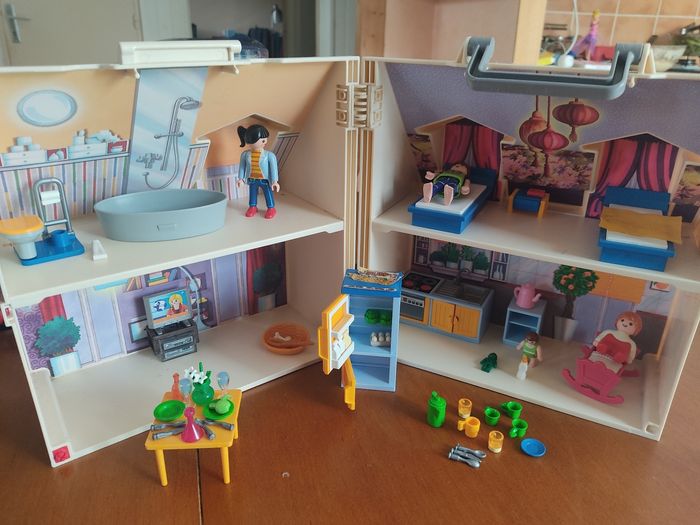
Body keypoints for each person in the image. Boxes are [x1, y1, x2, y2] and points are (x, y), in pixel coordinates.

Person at [237, 124, 280, 219]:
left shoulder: (269, 155)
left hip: (265, 180)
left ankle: (271, 208)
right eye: (262, 140)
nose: (265, 141)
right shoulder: (245, 155)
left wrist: (275, 181)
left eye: (265, 139)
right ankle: (252, 207)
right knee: (252, 193)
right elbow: (242, 167)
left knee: (268, 193)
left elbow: (274, 169)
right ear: (250, 140)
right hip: (252, 179)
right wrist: (240, 179)